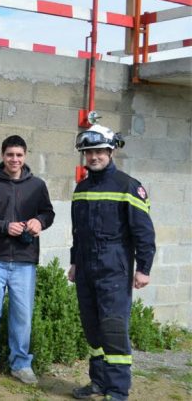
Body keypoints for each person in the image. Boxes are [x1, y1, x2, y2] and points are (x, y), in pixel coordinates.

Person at [67, 123, 155, 401]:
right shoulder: (81, 188)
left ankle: (117, 391)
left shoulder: (128, 186)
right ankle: (98, 382)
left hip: (113, 271)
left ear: (111, 151)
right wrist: (74, 263)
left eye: (99, 151)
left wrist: (144, 268)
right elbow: (77, 232)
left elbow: (143, 232)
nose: (94, 157)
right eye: (89, 152)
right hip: (86, 270)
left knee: (113, 329)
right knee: (92, 329)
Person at [0, 135, 55, 385]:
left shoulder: (37, 186)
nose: (14, 159)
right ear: (2, 155)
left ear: (25, 156)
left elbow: (48, 213)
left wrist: (40, 221)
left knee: (22, 316)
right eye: (10, 155)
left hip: (25, 262)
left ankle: (21, 364)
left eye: (19, 155)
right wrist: (6, 227)